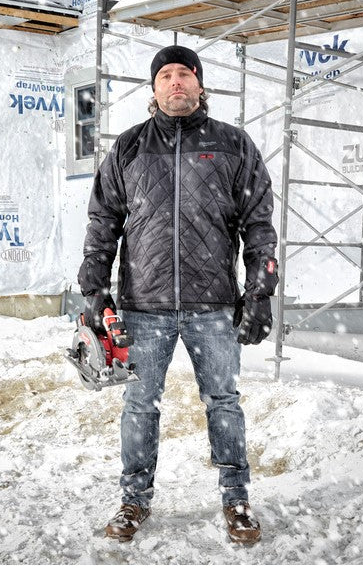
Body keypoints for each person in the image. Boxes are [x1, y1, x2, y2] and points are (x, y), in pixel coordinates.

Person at [77, 45, 278, 544]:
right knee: (140, 405)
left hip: (214, 306)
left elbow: (258, 225)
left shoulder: (233, 145)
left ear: (200, 83)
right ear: (154, 87)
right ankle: (133, 501)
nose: (175, 82)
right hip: (143, 308)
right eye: (165, 75)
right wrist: (95, 289)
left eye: (184, 73)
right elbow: (103, 222)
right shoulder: (129, 147)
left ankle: (236, 499)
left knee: (224, 402)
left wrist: (259, 293)